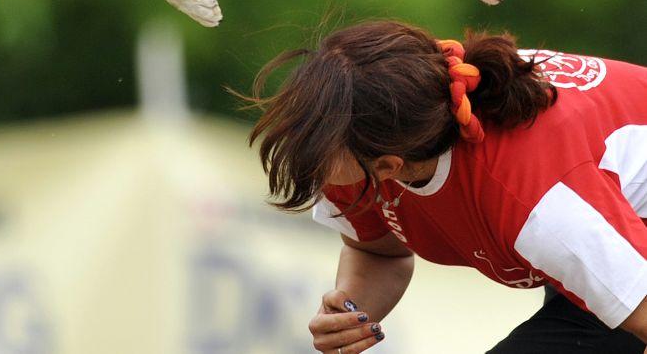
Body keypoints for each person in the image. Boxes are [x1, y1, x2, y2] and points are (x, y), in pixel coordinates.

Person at [245, 21, 647, 353]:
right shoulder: (365, 146)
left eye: (316, 151)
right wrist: (353, 309)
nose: (306, 157)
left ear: (390, 165)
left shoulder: (535, 200)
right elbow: (379, 251)